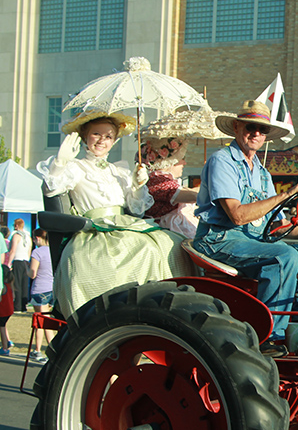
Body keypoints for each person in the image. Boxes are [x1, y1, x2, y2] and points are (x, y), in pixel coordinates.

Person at [193, 100, 298, 343]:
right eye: (251, 127)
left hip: (253, 240)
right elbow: (237, 215)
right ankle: (270, 335)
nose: (256, 134)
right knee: (284, 256)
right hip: (219, 240)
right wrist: (285, 194)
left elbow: (274, 227)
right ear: (237, 127)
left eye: (262, 130)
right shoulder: (222, 161)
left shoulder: (262, 173)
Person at [37, 110, 194, 318]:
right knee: (145, 249)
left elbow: (136, 209)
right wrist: (59, 164)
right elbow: (51, 190)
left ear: (114, 140)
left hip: (125, 224)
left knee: (172, 243)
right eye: (96, 134)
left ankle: (166, 305)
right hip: (96, 231)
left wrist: (138, 186)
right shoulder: (76, 167)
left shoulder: (117, 171)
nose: (102, 140)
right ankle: (128, 308)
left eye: (108, 136)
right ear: (85, 136)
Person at [140, 137, 200, 238]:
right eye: (182, 159)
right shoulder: (158, 181)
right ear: (171, 162)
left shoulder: (160, 179)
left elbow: (190, 191)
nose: (184, 163)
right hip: (167, 233)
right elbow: (194, 196)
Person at [25, 229, 55, 363]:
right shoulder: (53, 251)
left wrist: (26, 270)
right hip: (51, 288)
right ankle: (43, 349)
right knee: (44, 320)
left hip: (40, 289)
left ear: (37, 238)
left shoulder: (37, 252)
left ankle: (46, 350)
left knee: (42, 322)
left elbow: (33, 273)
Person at [7, 218, 32, 312]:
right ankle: (23, 305)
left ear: (16, 225)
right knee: (25, 284)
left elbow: (12, 250)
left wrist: (9, 263)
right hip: (25, 261)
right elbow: (29, 250)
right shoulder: (28, 236)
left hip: (17, 260)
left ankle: (17, 306)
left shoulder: (16, 236)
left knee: (17, 284)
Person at [0, 265, 13, 356]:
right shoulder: (9, 285)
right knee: (3, 326)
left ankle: (5, 348)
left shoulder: (3, 287)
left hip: (3, 311)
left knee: (2, 328)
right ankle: (7, 342)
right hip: (8, 311)